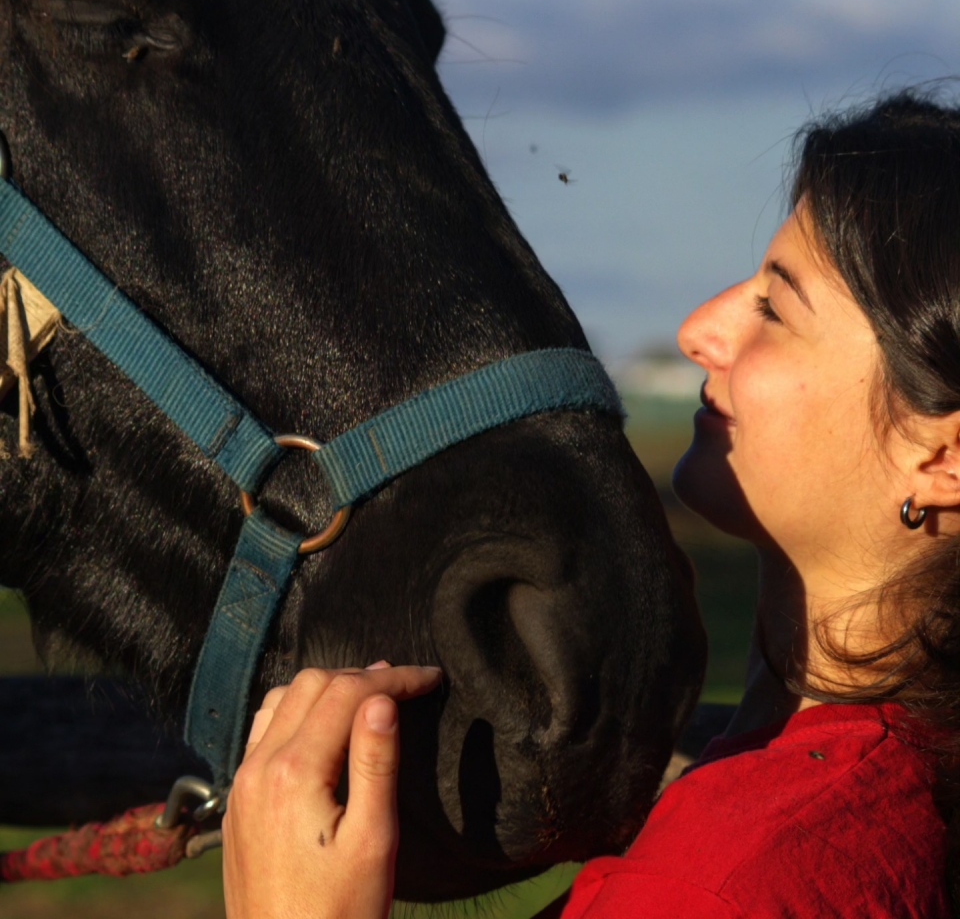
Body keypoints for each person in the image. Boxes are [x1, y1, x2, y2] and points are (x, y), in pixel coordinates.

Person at [222, 90, 960, 918]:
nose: (697, 330)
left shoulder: (723, 885)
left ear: (943, 456)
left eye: (776, 309)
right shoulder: (892, 781)